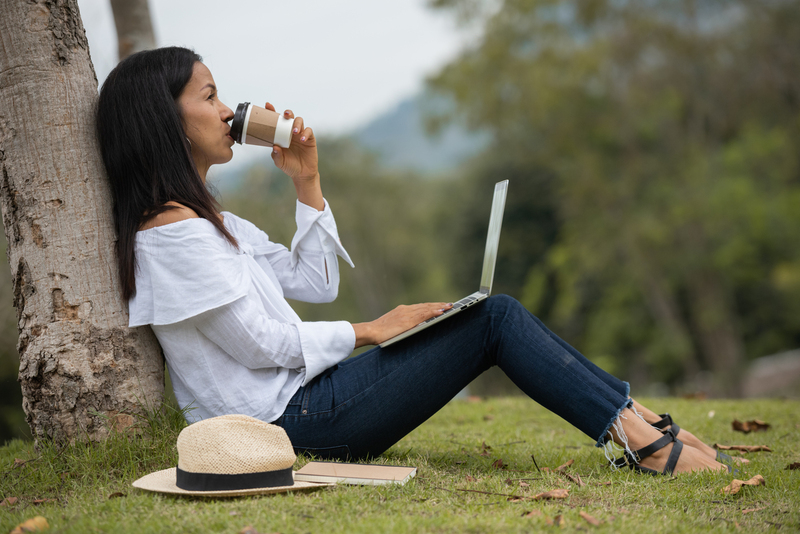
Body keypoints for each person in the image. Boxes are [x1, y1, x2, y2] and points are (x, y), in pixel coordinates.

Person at [96, 47, 736, 476]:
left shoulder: (215, 222)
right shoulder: (170, 237)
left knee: (490, 314)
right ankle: (640, 439)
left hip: (309, 404)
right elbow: (260, 344)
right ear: (166, 122)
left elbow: (314, 286)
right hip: (287, 424)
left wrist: (307, 183)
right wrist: (372, 329)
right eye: (210, 98)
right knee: (494, 321)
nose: (228, 111)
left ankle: (633, 421)